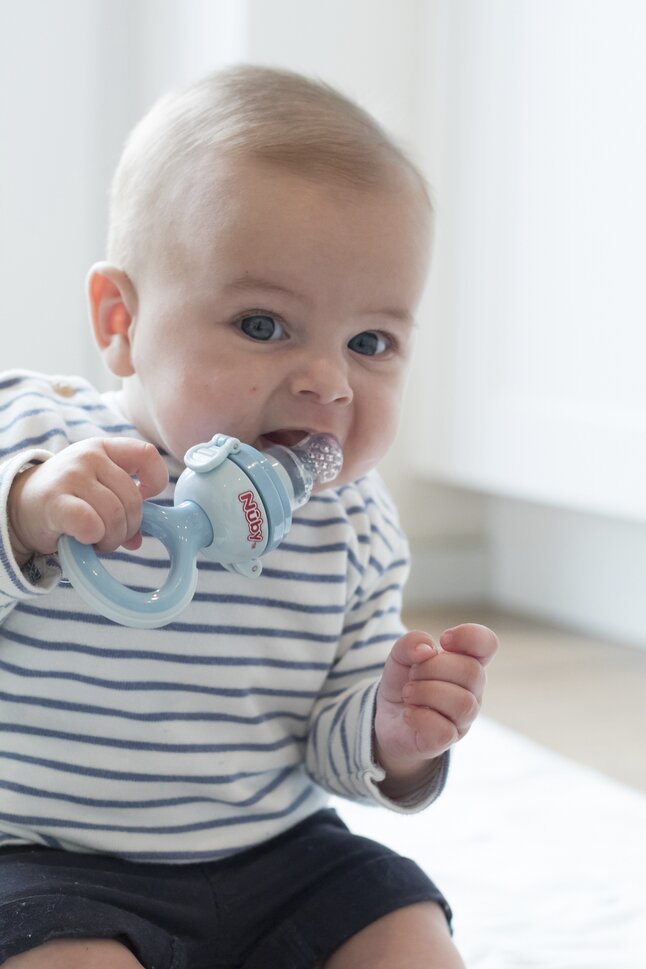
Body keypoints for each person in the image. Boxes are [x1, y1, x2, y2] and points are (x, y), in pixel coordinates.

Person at [0, 65, 497, 969]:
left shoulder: (353, 521)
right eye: (264, 325)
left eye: (370, 342)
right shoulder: (36, 442)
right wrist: (25, 517)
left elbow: (330, 740)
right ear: (121, 321)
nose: (329, 382)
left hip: (276, 857)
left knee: (404, 928)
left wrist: (394, 734)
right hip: (49, 860)